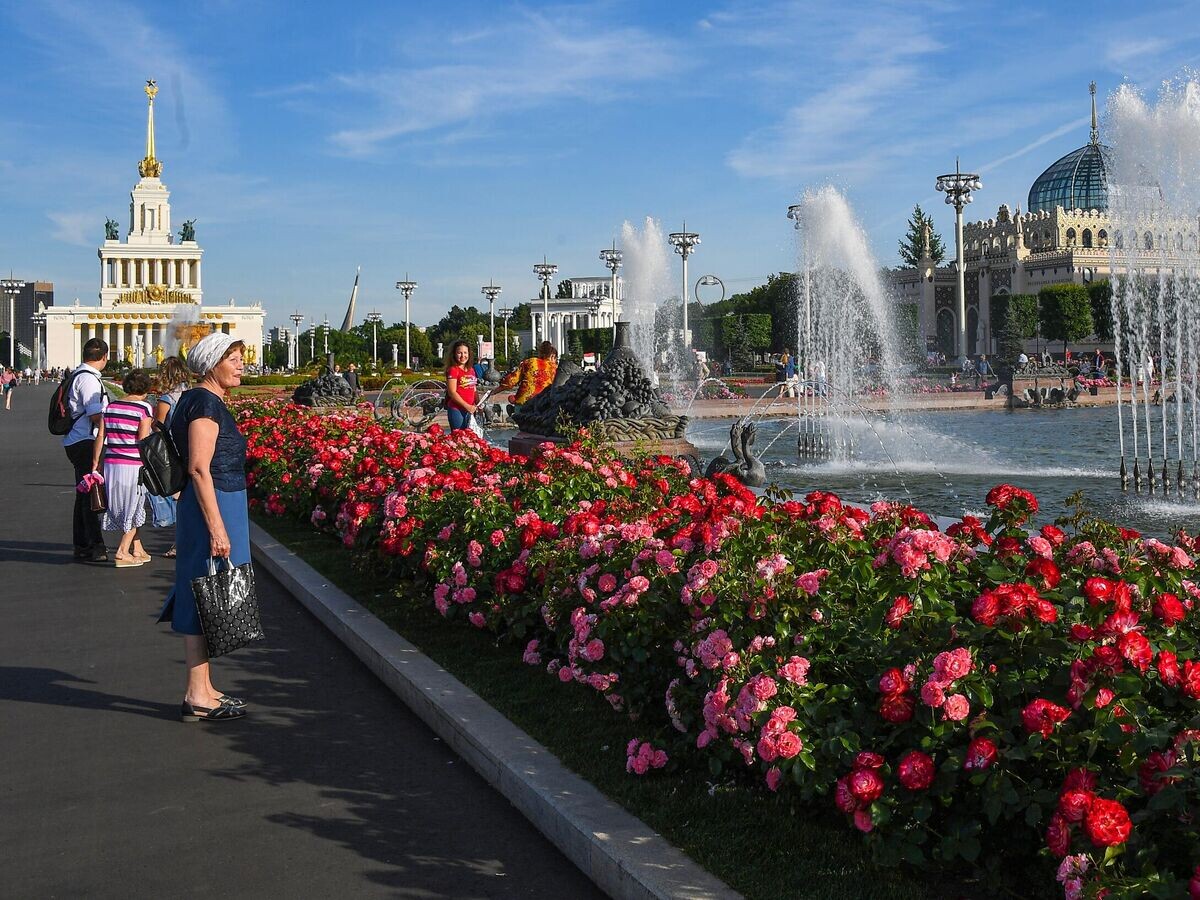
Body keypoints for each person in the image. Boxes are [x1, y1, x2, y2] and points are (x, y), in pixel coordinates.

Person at [159, 333, 249, 722]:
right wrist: (217, 527)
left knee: (207, 588)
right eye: (234, 358)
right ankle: (197, 693)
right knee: (204, 589)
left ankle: (204, 687)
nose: (242, 365)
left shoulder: (199, 400)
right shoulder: (205, 403)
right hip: (213, 506)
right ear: (212, 363)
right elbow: (198, 467)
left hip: (218, 503)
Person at [92, 369, 154, 568]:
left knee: (124, 504)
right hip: (133, 463)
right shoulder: (144, 409)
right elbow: (143, 440)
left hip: (112, 462)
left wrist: (96, 462)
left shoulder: (110, 407)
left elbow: (101, 436)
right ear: (146, 388)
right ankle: (122, 551)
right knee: (135, 504)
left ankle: (138, 548)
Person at [64, 339, 110, 563]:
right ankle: (95, 544)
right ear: (104, 357)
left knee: (83, 494)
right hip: (86, 440)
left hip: (77, 440)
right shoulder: (89, 380)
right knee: (91, 494)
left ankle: (82, 543)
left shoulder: (78, 376)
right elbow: (95, 416)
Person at [444, 340, 478, 431]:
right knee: (459, 439)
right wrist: (467, 406)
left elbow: (474, 389)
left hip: (470, 409)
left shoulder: (471, 370)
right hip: (457, 410)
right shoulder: (453, 370)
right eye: (459, 353)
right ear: (454, 354)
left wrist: (478, 404)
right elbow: (452, 392)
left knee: (471, 440)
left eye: (465, 353)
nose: (463, 356)